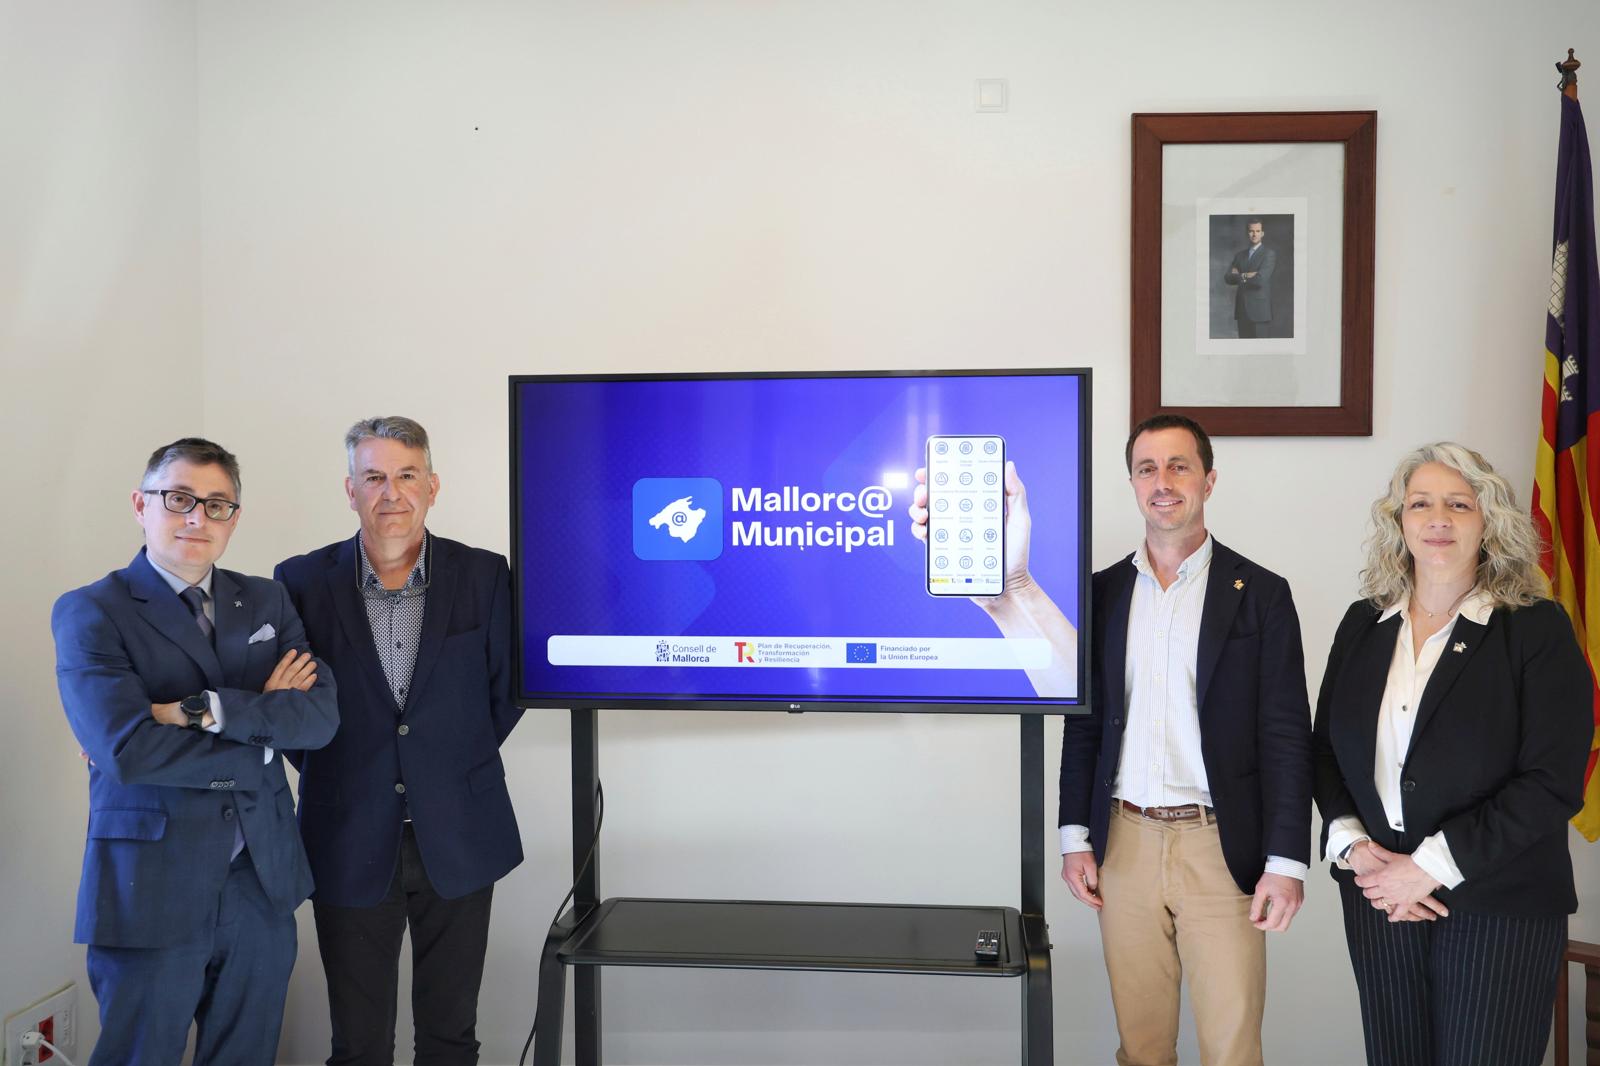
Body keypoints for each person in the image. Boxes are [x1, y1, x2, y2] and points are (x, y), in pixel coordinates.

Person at [52, 437, 338, 1066]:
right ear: (141, 504)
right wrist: (262, 743)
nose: (197, 518)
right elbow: (127, 750)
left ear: (234, 517)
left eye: (216, 504)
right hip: (150, 885)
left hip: (260, 880)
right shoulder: (92, 611)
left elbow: (318, 719)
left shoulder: (266, 600)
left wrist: (196, 709)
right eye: (179, 498)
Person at [1313, 442, 1590, 1066]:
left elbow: (1552, 781)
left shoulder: (1535, 627)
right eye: (1421, 504)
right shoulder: (1363, 623)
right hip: (1380, 898)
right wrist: (1354, 847)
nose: (1438, 519)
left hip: (1499, 907)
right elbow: (1326, 747)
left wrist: (1429, 867)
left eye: (1459, 505)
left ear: (1488, 521)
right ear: (1400, 521)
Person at [1058, 413, 1312, 1066]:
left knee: (1232, 1050)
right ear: (1133, 483)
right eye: (1147, 469)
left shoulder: (1260, 594)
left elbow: (1287, 734)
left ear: (1208, 480)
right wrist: (1074, 837)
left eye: (1178, 466)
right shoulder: (1102, 594)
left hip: (1220, 845)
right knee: (1141, 1048)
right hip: (1124, 844)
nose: (1162, 482)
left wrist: (1286, 862)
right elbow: (1084, 724)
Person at [276, 416, 523, 1066]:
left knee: (450, 1038)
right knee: (358, 1044)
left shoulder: (485, 575)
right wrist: (345, 769)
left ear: (432, 486)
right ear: (350, 490)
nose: (392, 493)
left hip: (461, 830)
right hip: (346, 832)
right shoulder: (300, 582)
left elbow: (505, 695)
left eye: (407, 475)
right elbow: (293, 710)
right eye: (374, 477)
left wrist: (440, 763)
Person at [1223, 218, 1275, 338]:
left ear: (1262, 233)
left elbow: (1260, 280)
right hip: (1242, 310)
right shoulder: (1239, 256)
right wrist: (1246, 275)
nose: (1254, 234)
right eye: (1251, 231)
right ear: (1247, 233)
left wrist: (1239, 275)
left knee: (1260, 347)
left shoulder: (1268, 254)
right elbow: (1228, 278)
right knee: (1244, 347)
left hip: (1260, 312)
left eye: (1257, 231)